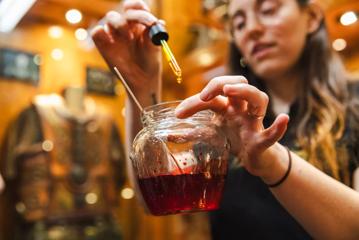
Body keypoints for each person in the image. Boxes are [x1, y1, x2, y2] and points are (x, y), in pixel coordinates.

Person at [91, 0, 359, 239]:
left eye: (268, 9)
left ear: (311, 17)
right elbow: (154, 198)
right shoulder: (227, 117)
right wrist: (141, 85)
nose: (251, 29)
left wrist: (273, 161)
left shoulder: (354, 103)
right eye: (239, 23)